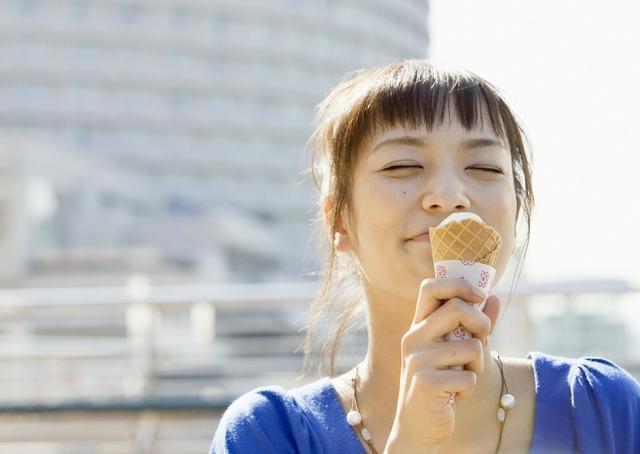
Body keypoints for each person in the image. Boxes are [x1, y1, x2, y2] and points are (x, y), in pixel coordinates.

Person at [210, 60, 640, 453]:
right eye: (402, 166)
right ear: (340, 220)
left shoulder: (601, 408)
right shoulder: (269, 435)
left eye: (485, 168)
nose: (451, 196)